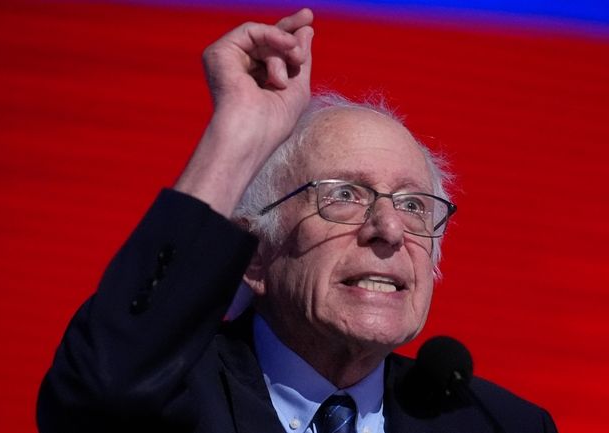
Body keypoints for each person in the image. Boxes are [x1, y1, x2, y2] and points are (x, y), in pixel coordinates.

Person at [37, 8, 557, 433]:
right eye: (345, 195)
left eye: (414, 204)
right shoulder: (175, 392)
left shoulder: (501, 425)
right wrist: (237, 135)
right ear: (256, 255)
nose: (390, 228)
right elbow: (100, 390)